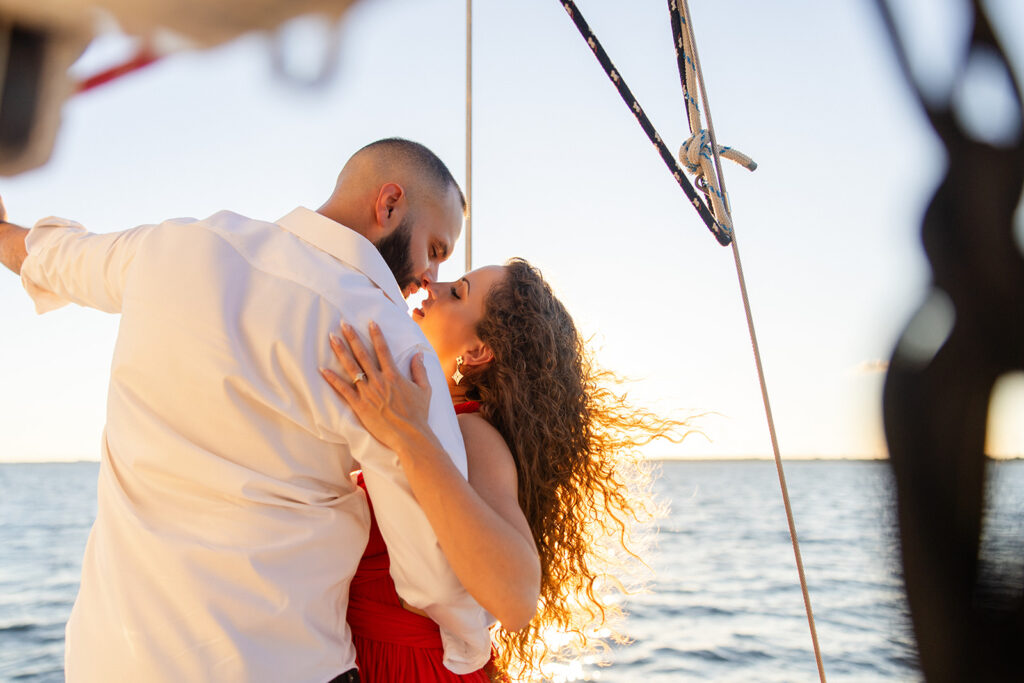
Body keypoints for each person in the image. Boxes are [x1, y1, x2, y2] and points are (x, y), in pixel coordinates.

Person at [0, 138, 494, 682]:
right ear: (390, 205)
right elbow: (433, 573)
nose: (429, 275)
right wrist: (469, 647)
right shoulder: (391, 345)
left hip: (110, 661)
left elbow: (53, 257)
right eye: (437, 249)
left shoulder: (173, 246)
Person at [322, 258, 686, 681]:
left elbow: (516, 599)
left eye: (457, 292)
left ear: (477, 351)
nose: (432, 287)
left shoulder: (472, 433)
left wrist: (410, 436)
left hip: (408, 668)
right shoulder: (426, 415)